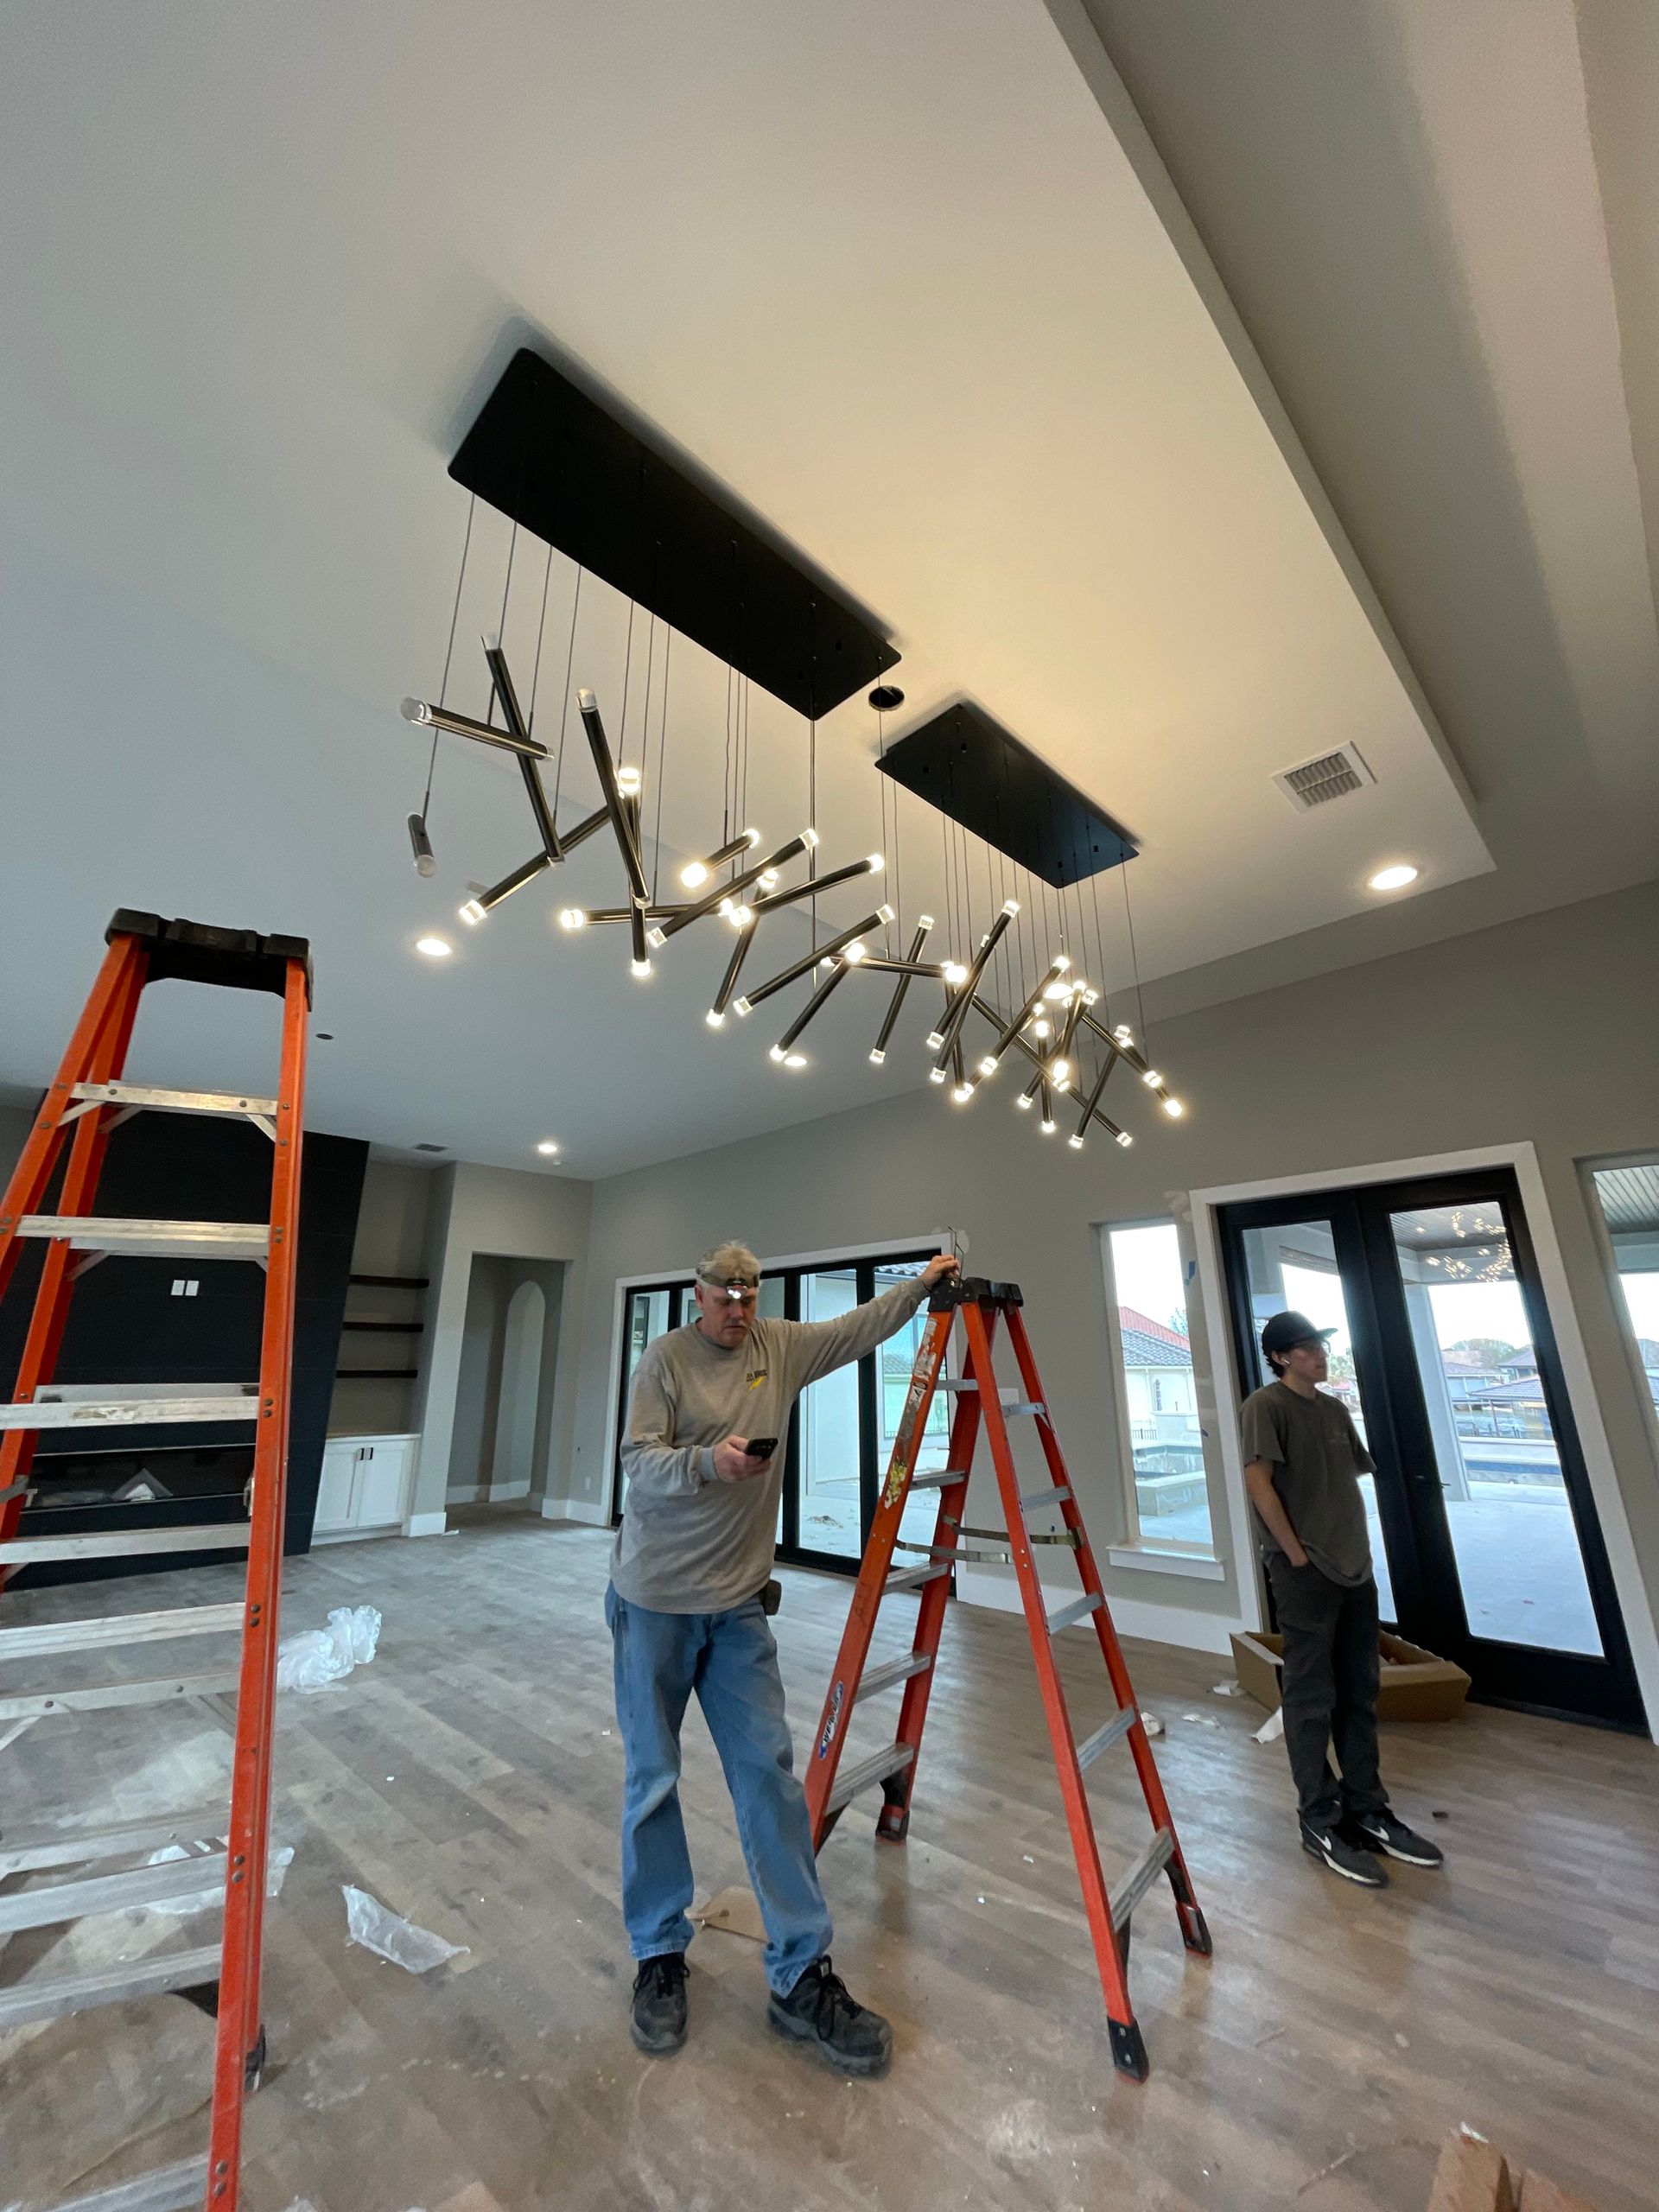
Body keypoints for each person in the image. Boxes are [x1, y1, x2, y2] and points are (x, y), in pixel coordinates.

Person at [607, 1239, 960, 2072]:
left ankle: (800, 1974)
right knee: (652, 1777)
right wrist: (708, 1463)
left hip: (737, 1611)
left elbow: (858, 1328)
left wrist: (920, 1285)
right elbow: (635, 1461)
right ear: (698, 1296)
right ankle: (659, 1954)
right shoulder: (663, 1361)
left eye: (748, 1292)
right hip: (654, 1603)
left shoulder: (781, 1348)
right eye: (724, 1293)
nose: (738, 1306)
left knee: (769, 1775)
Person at [1240, 1310, 1444, 1887]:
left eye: (1320, 1347)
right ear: (1279, 1356)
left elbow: (1346, 1478)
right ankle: (1318, 1819)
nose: (1318, 1356)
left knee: (1361, 1689)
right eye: (1304, 1349)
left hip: (1354, 1570)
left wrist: (1354, 1550)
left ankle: (1368, 1809)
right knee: (1311, 1696)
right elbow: (1259, 1484)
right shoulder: (1266, 1406)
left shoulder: (1331, 1409)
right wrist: (1298, 1557)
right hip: (1307, 1572)